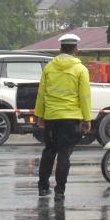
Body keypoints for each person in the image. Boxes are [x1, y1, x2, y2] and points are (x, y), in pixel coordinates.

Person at [34, 33, 91, 199]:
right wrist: (87, 119)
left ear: (60, 49)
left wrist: (40, 115)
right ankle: (59, 191)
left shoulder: (49, 68)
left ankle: (43, 187)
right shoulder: (81, 70)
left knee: (49, 151)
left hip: (51, 117)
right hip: (70, 119)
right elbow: (84, 97)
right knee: (64, 154)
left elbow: (41, 94)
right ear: (76, 50)